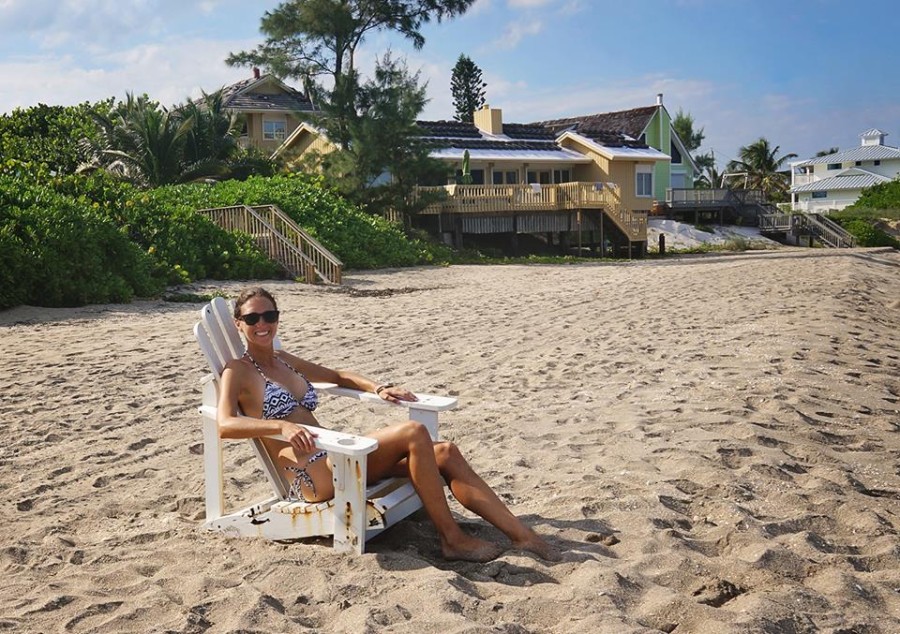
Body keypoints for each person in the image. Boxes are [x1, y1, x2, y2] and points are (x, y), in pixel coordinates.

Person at [217, 287, 559, 563]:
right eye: (253, 317)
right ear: (238, 324)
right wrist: (279, 428)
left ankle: (522, 535)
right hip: (313, 476)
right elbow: (225, 424)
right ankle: (451, 539)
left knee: (445, 453)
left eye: (270, 315)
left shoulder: (282, 359)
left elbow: (337, 376)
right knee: (413, 433)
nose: (263, 323)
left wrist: (378, 388)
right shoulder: (238, 370)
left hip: (336, 458)